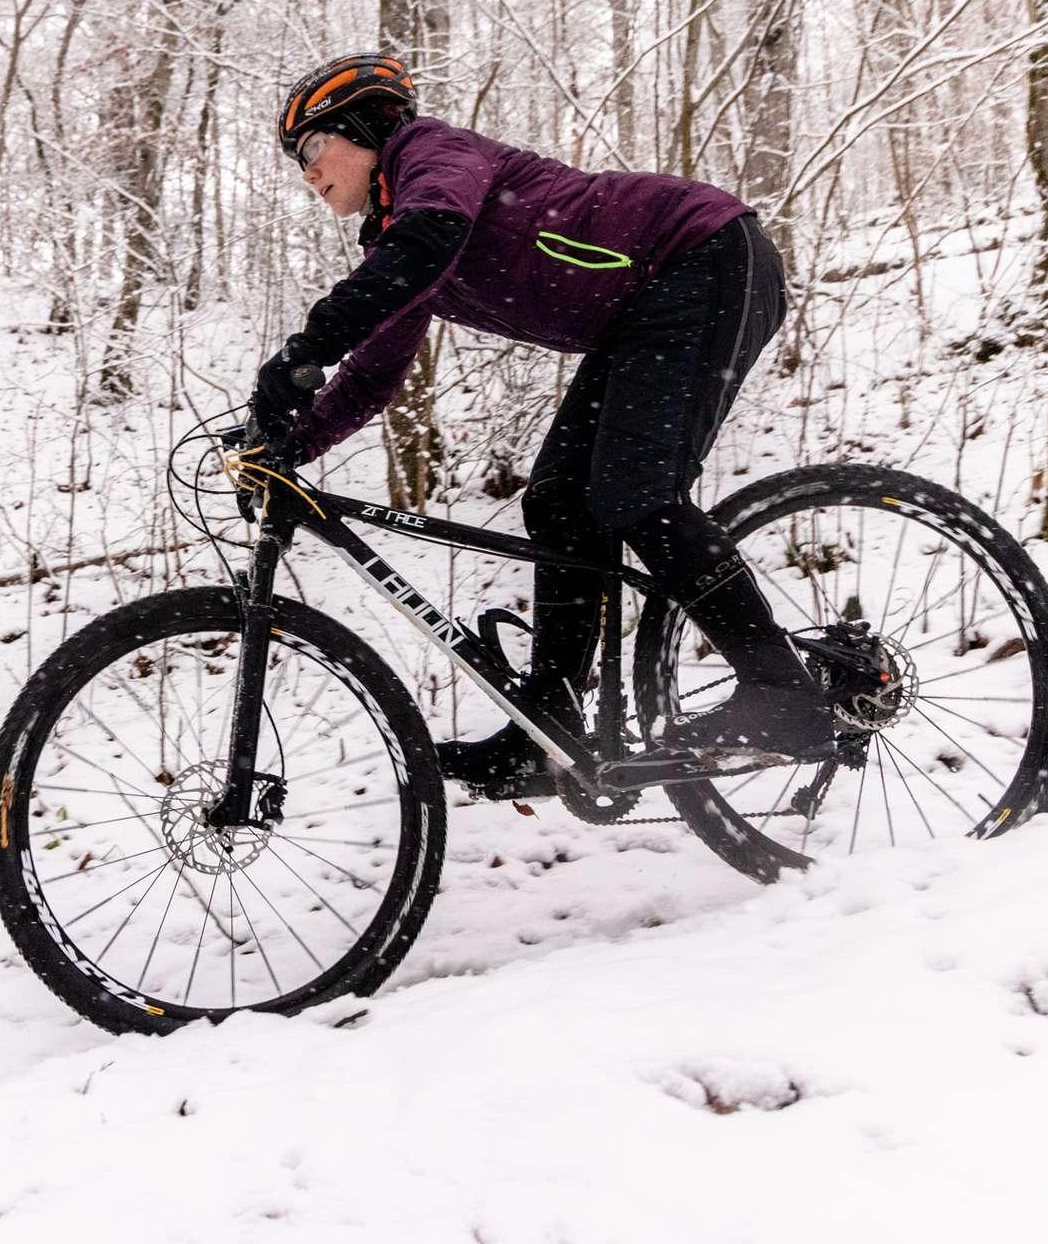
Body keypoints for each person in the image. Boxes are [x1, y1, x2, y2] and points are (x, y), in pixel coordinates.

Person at [255, 52, 835, 799]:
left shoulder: (432, 155)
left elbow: (428, 238)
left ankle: (782, 693)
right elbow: (374, 371)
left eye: (311, 147)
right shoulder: (398, 236)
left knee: (633, 491)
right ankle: (548, 730)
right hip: (644, 311)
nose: (306, 172)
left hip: (705, 256)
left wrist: (306, 350)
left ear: (366, 128)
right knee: (559, 500)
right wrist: (288, 444)